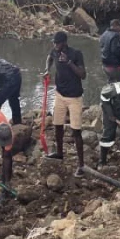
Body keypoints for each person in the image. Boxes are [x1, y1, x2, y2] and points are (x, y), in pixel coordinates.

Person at [45, 31, 87, 176]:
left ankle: (81, 165)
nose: (55, 45)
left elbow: (83, 75)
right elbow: (49, 58)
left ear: (64, 42)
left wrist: (69, 62)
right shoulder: (54, 51)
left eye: (57, 43)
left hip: (74, 97)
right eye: (54, 43)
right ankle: (59, 153)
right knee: (57, 125)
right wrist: (47, 70)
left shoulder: (76, 54)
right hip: (60, 94)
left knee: (76, 131)